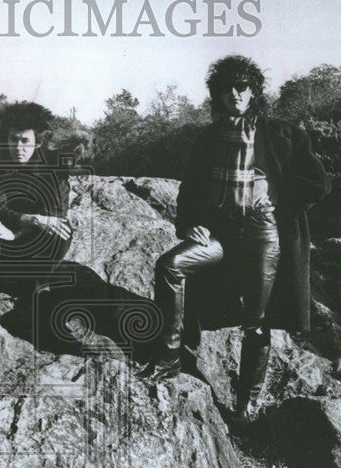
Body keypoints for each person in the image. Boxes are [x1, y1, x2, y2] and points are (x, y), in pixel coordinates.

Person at [141, 55, 329, 425]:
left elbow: (318, 183)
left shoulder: (282, 133)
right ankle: (168, 356)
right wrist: (191, 223)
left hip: (263, 234)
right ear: (217, 94)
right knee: (170, 265)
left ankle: (247, 408)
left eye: (241, 87)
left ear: (254, 90)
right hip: (220, 232)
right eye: (226, 88)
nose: (234, 94)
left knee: (257, 321)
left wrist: (278, 197)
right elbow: (192, 186)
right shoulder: (209, 136)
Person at [0, 101, 73, 323]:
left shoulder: (53, 166)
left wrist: (21, 230)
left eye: (25, 141)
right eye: (13, 139)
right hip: (9, 243)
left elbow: (55, 216)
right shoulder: (0, 166)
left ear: (38, 142)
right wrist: (26, 222)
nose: (18, 147)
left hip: (40, 243)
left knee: (63, 231)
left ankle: (38, 287)